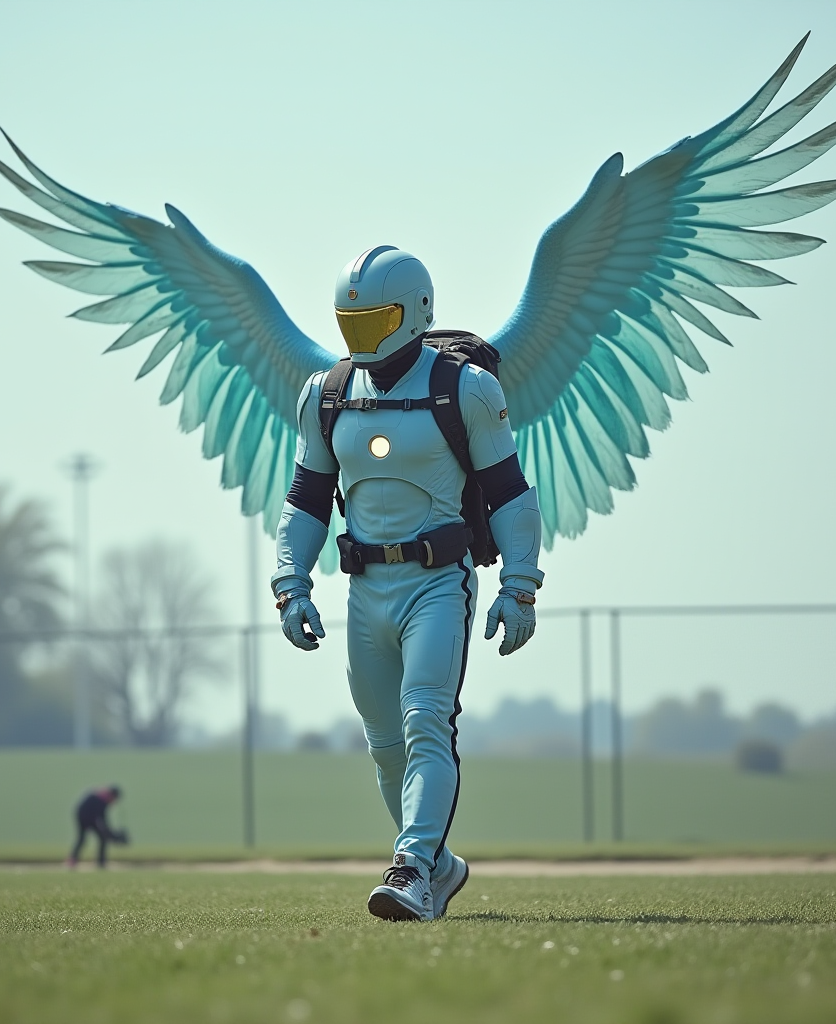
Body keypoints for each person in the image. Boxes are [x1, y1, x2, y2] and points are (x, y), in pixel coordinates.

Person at [271, 247, 543, 921]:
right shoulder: (326, 395)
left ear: (416, 313)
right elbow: (306, 499)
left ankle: (412, 869)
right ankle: (439, 865)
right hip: (364, 589)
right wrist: (290, 582)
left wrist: (521, 584)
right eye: (350, 325)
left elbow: (510, 492)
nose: (362, 340)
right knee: (385, 742)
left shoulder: (467, 389)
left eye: (375, 323)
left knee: (427, 721)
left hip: (437, 585)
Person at [67, 785, 128, 867]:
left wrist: (108, 833)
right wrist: (112, 835)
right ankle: (74, 860)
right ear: (112, 796)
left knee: (100, 838)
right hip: (83, 818)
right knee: (82, 839)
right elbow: (101, 819)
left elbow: (101, 820)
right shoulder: (100, 800)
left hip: (90, 818)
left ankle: (100, 862)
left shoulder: (101, 798)